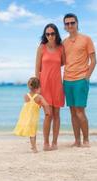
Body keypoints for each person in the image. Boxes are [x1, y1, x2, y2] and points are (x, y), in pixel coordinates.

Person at [62, 13, 97, 147]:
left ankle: (86, 140)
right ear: (65, 26)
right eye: (67, 23)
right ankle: (77, 141)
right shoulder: (64, 42)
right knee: (72, 112)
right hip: (67, 80)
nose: (70, 25)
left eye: (72, 23)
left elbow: (93, 61)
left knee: (80, 112)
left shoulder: (86, 39)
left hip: (80, 80)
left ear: (77, 23)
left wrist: (86, 77)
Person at [35, 23, 65, 151]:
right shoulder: (41, 47)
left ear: (56, 34)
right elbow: (37, 67)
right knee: (48, 114)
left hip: (57, 84)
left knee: (57, 114)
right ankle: (46, 143)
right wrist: (37, 87)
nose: (50, 36)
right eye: (47, 34)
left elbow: (63, 62)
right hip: (44, 85)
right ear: (45, 35)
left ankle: (55, 143)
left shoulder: (60, 48)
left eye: (52, 33)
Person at [14, 77, 51, 153]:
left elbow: (29, 104)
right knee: (33, 133)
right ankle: (34, 148)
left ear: (29, 86)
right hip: (33, 117)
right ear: (38, 87)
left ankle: (33, 146)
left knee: (31, 132)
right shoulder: (39, 97)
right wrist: (47, 112)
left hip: (26, 116)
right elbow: (46, 105)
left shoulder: (26, 96)